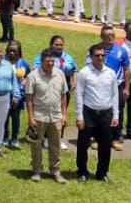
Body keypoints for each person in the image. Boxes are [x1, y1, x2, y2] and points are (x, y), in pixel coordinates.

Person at [75, 43, 119, 183]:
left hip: (106, 114)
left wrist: (115, 115)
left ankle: (102, 173)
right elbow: (79, 95)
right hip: (89, 113)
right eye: (97, 55)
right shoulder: (84, 73)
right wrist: (79, 116)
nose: (100, 58)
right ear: (91, 57)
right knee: (83, 144)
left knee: (105, 145)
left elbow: (114, 95)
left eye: (102, 55)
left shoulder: (111, 73)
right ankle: (82, 171)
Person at [27, 47, 68, 183]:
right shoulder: (32, 76)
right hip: (39, 116)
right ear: (41, 61)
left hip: (56, 116)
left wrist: (64, 115)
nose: (50, 64)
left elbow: (63, 96)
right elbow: (29, 99)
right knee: (36, 145)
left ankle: (55, 171)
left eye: (52, 61)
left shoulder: (60, 74)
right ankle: (37, 170)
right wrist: (31, 118)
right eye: (47, 61)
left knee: (55, 145)